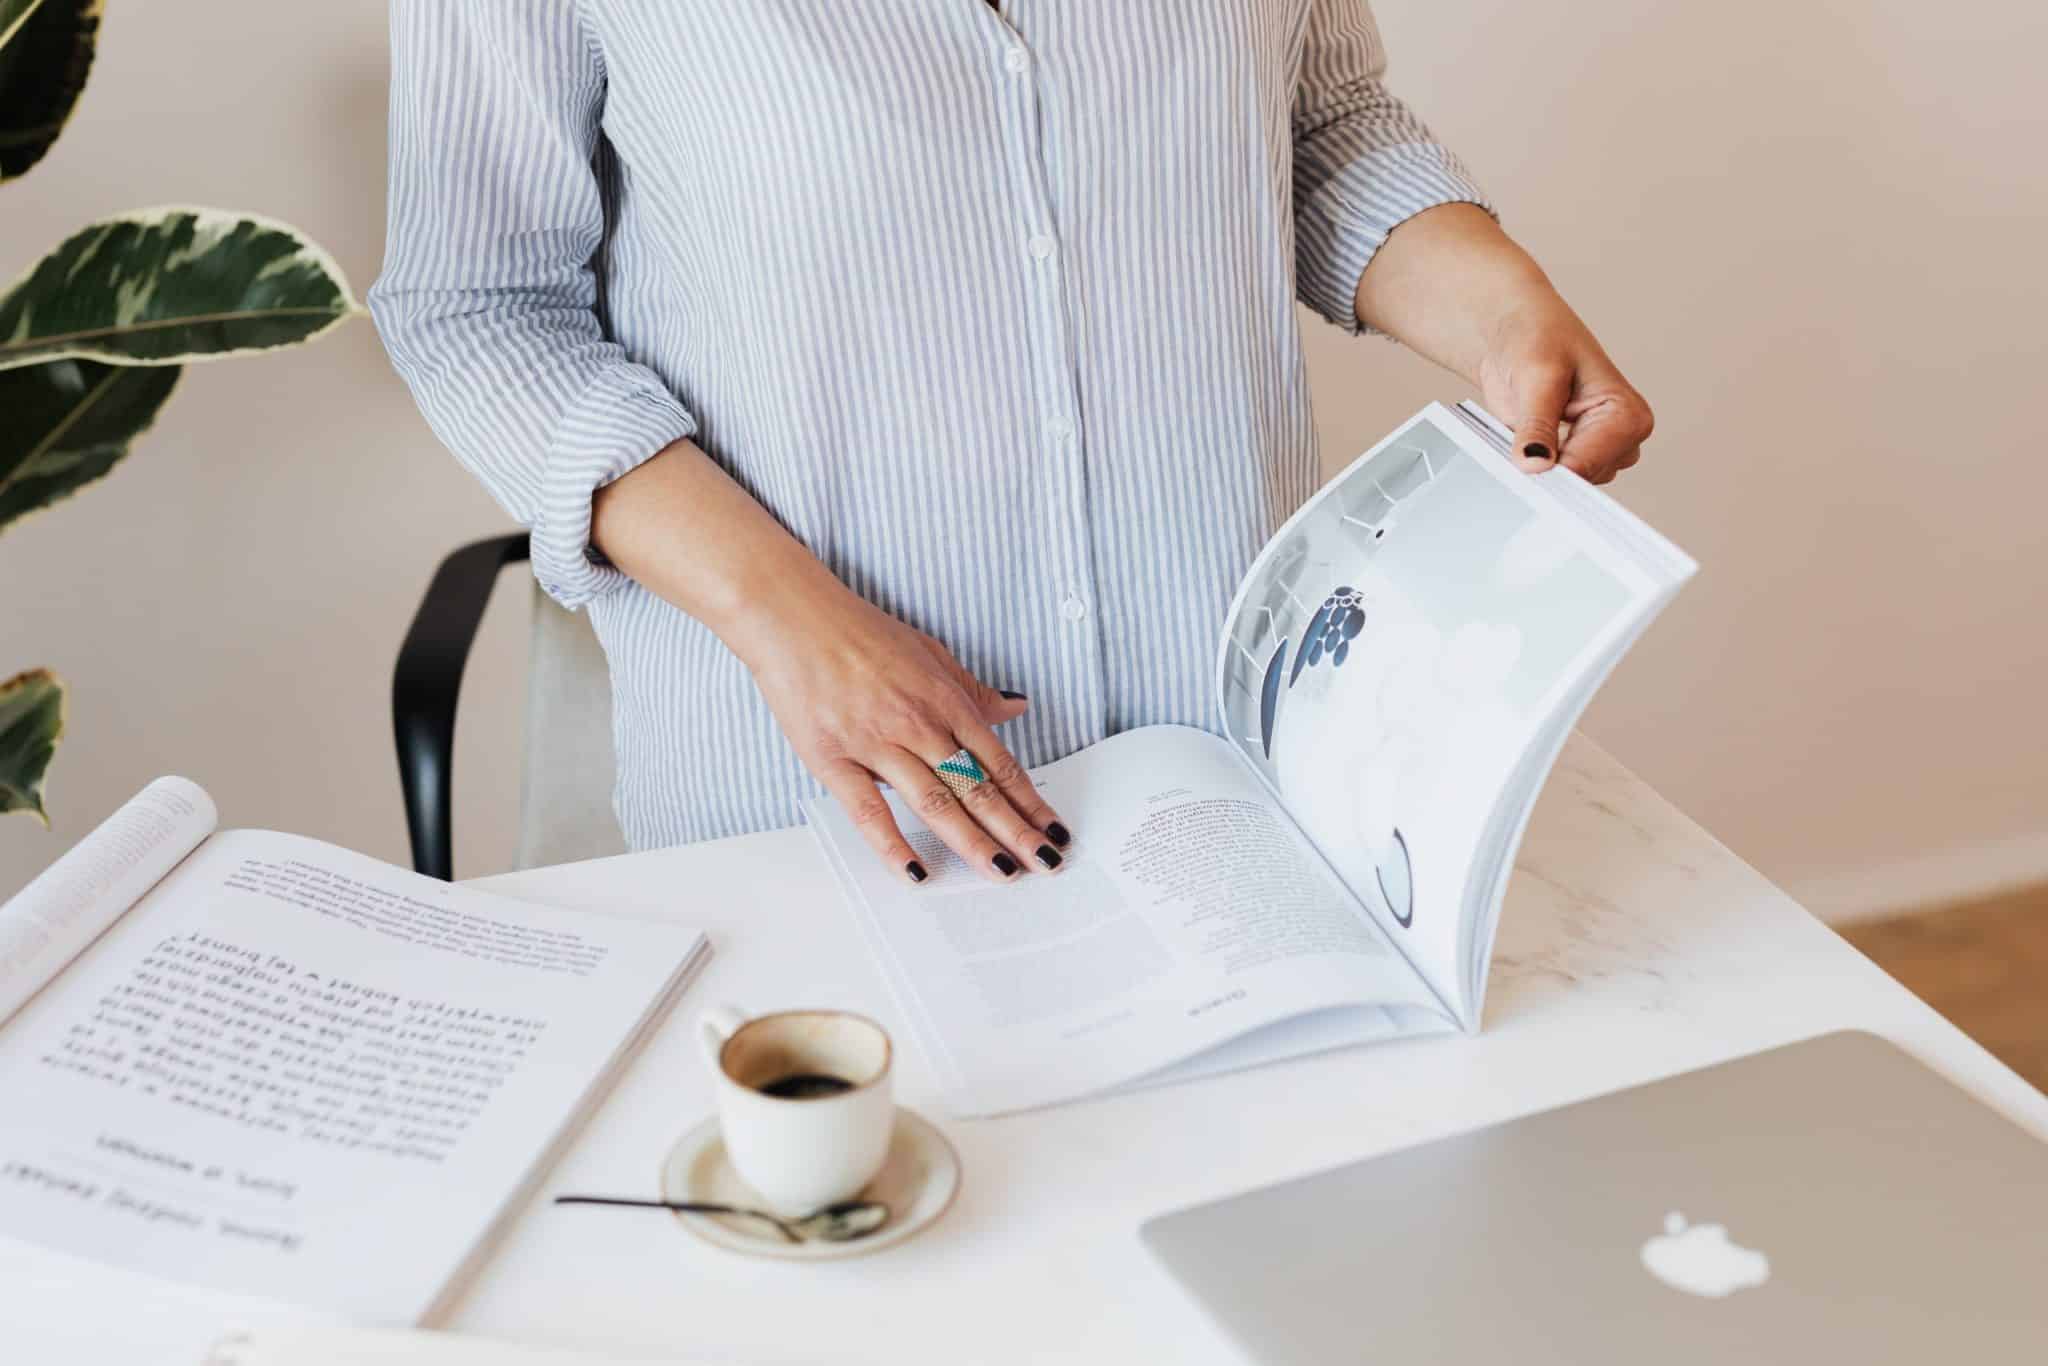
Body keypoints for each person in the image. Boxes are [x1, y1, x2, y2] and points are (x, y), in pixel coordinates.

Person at [369, 2, 1652, 889]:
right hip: (824, 812)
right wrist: (791, 621)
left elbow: (1314, 125)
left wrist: (1504, 315)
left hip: (1246, 768)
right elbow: (479, 306)